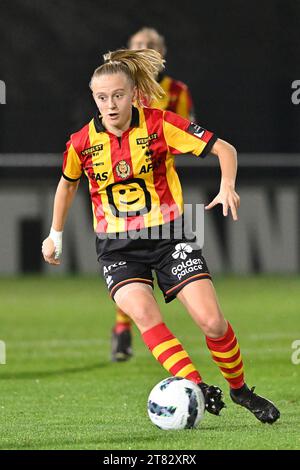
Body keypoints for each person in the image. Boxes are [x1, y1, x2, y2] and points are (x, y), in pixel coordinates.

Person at [42, 48, 280, 423]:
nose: (111, 104)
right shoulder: (80, 142)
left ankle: (241, 391)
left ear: (134, 92)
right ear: (94, 98)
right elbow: (67, 185)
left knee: (213, 322)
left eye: (118, 95)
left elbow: (224, 149)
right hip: (116, 245)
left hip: (172, 233)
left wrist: (228, 185)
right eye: (102, 97)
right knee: (145, 317)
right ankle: (196, 388)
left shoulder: (161, 124)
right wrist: (54, 234)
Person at [111, 27, 196, 362]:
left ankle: (130, 329)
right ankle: (123, 328)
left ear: (161, 54)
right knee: (128, 258)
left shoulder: (176, 91)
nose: (144, 50)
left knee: (157, 256)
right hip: (121, 190)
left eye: (150, 46)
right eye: (137, 46)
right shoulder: (120, 92)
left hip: (160, 187)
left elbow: (185, 132)